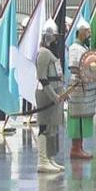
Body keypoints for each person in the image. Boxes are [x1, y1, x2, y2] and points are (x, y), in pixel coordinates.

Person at [36, 19, 66, 173]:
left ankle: (49, 158)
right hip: (46, 94)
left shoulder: (51, 53)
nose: (56, 39)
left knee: (53, 126)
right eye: (54, 36)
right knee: (44, 125)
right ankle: (42, 160)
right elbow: (42, 78)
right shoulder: (43, 53)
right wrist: (54, 95)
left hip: (55, 93)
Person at [67, 18, 95, 160]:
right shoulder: (74, 48)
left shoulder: (84, 48)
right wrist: (85, 75)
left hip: (86, 85)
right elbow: (74, 67)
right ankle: (75, 148)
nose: (89, 33)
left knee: (84, 116)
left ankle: (80, 147)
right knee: (76, 118)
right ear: (80, 32)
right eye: (87, 31)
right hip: (77, 85)